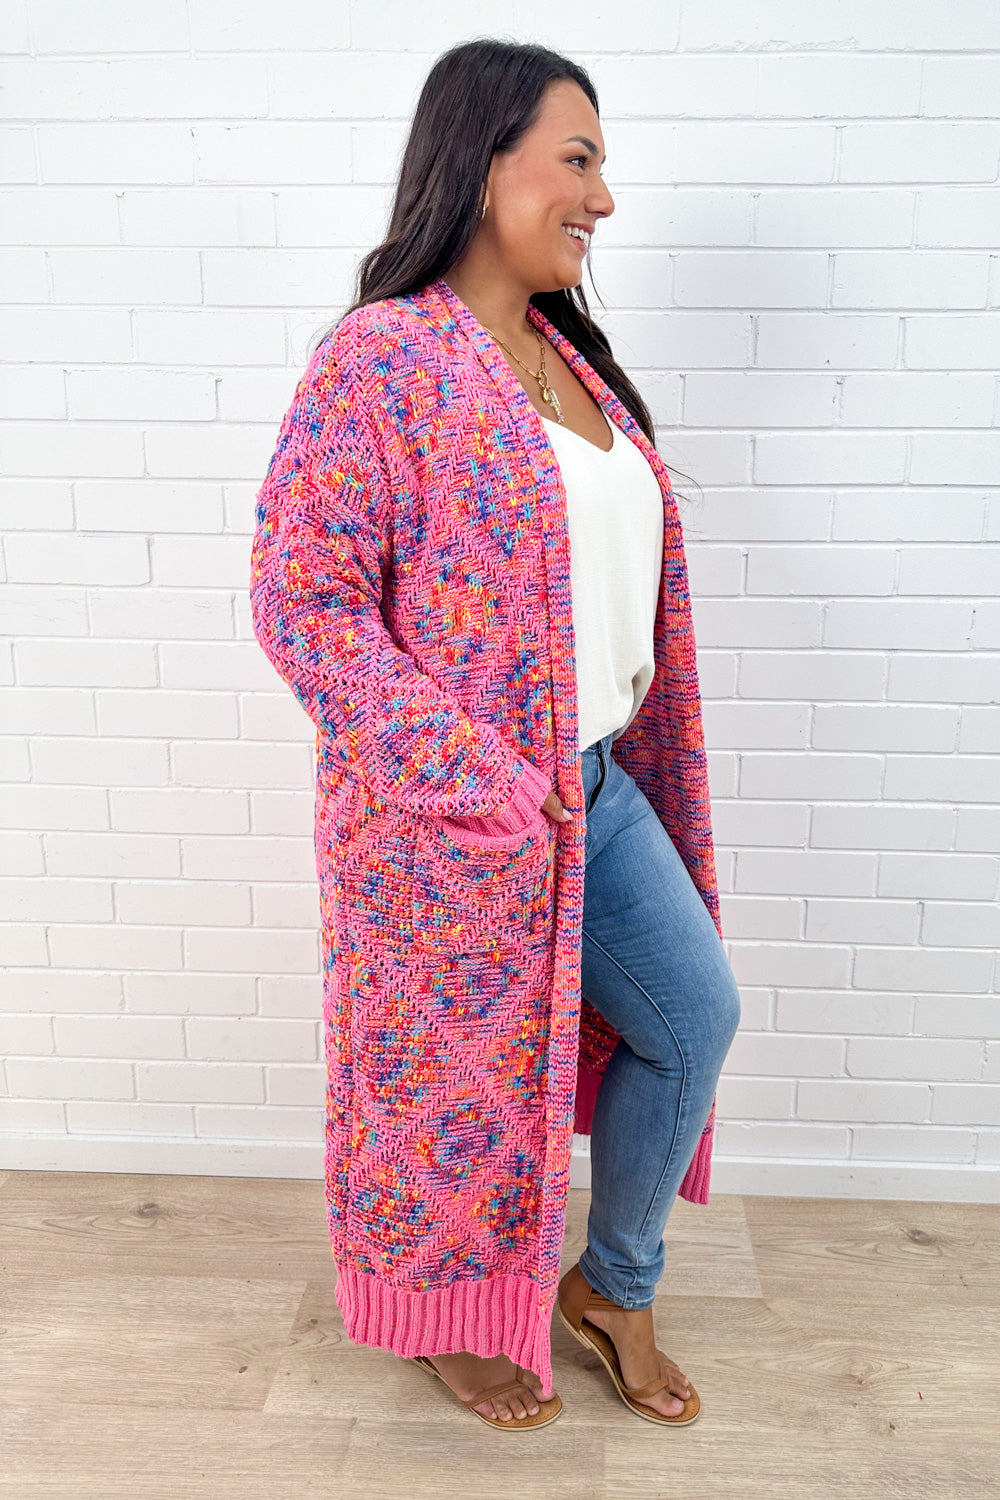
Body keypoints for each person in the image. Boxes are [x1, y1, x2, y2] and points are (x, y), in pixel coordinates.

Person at [250, 37, 741, 1432]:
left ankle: (614, 1285)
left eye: (603, 166)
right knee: (447, 1101)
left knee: (691, 1019)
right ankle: (449, 1316)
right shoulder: (382, 359)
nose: (604, 198)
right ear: (482, 164)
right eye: (578, 160)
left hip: (596, 785)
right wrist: (467, 774)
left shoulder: (565, 360)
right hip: (446, 816)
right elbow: (302, 598)